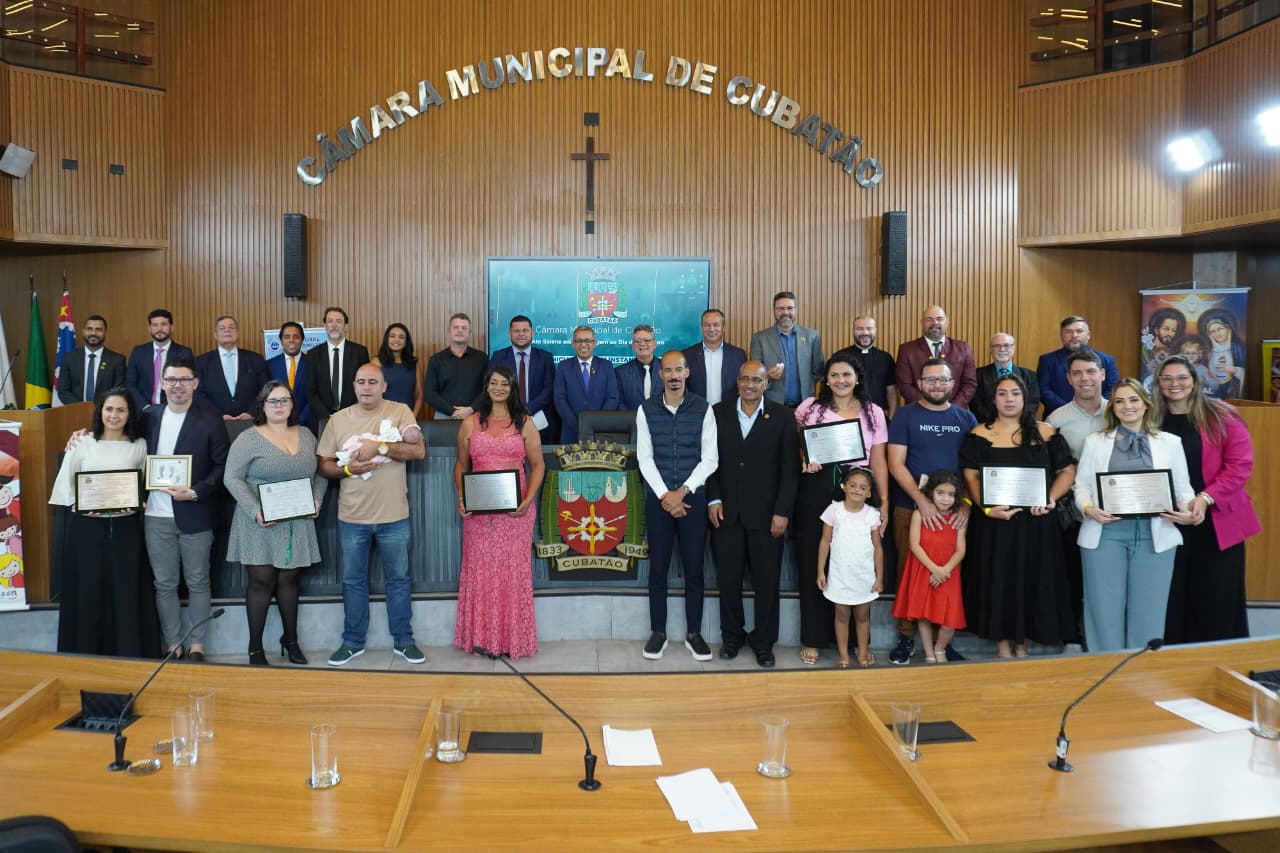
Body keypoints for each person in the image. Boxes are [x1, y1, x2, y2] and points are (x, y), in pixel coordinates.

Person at [1072, 379, 1196, 652]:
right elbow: (1080, 487)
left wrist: (1188, 510)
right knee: (1103, 610)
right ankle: (1105, 672)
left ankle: (1141, 676)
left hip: (1156, 536)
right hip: (1104, 535)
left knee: (1149, 610)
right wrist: (1089, 509)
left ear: (1146, 404)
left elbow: (1183, 490)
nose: (1127, 406)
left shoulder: (1170, 443)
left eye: (1133, 400)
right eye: (1119, 401)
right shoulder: (1095, 443)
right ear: (1112, 407)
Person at [317, 364, 427, 665]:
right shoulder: (338, 420)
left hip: (395, 515)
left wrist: (378, 445)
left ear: (384, 386)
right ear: (353, 386)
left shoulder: (400, 411)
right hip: (352, 517)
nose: (366, 387)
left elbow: (418, 452)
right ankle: (352, 642)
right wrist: (350, 468)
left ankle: (404, 641)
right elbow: (323, 464)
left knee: (400, 580)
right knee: (353, 581)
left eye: (372, 382)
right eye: (361, 381)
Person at [961, 375, 1077, 657]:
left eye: (1015, 393)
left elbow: (1067, 471)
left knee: (1031, 579)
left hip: (1037, 523)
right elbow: (971, 477)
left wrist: (1050, 498)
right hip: (995, 524)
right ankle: (1002, 643)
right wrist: (987, 509)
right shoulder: (979, 434)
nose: (1009, 399)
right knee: (998, 578)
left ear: (1025, 399)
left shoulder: (1046, 432)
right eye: (1002, 393)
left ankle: (1023, 643)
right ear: (993, 399)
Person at [1154, 355, 1260, 644]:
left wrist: (1204, 499)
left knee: (1216, 596)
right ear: (1158, 383)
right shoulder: (1150, 417)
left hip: (1217, 518)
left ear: (1195, 382)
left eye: (1182, 378)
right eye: (1167, 378)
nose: (1175, 384)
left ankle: (1220, 659)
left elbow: (1240, 465)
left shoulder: (1221, 414)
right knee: (1172, 594)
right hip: (1169, 519)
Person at [793, 354, 889, 665]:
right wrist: (804, 459)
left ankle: (858, 645)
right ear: (827, 380)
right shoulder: (810, 408)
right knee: (814, 560)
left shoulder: (874, 413)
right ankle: (813, 638)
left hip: (857, 490)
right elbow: (796, 443)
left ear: (857, 378)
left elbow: (878, 460)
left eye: (846, 374)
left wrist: (883, 502)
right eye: (834, 375)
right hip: (817, 487)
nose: (840, 380)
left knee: (855, 562)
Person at [49, 387, 159, 656]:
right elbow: (66, 486)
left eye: (121, 409)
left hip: (126, 528)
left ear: (129, 414)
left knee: (125, 588)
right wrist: (81, 505)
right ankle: (86, 649)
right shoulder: (82, 443)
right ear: (100, 412)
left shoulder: (140, 445)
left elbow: (147, 485)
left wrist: (140, 500)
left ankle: (129, 649)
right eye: (109, 409)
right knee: (88, 588)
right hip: (87, 528)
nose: (114, 415)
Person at [223, 380, 326, 666]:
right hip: (259, 521)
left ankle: (290, 641)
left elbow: (320, 474)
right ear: (262, 405)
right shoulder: (249, 438)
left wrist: (317, 499)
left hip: (297, 518)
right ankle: (255, 647)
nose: (279, 406)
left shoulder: (306, 435)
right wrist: (255, 509)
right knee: (261, 581)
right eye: (273, 401)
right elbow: (231, 478)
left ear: (293, 404)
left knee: (290, 580)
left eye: (284, 400)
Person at [706, 360, 798, 668]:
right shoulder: (717, 413)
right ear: (737, 382)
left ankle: (763, 642)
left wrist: (782, 511)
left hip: (767, 515)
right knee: (728, 580)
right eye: (744, 379)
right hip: (726, 512)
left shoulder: (783, 416)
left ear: (766, 384)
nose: (749, 385)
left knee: (767, 581)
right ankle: (732, 637)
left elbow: (789, 470)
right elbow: (710, 462)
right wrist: (713, 498)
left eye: (756, 380)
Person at [885, 359, 976, 665]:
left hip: (953, 516)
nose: (937, 385)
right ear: (920, 383)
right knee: (910, 574)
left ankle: (941, 641)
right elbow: (895, 462)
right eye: (930, 379)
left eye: (943, 379)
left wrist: (966, 503)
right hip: (910, 509)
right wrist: (920, 500)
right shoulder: (905, 416)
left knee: (947, 579)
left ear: (952, 383)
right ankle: (906, 637)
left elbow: (972, 468)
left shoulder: (966, 418)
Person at [453, 364, 546, 659]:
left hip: (515, 512)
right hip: (479, 514)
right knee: (481, 573)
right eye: (494, 383)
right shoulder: (470, 423)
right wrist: (461, 497)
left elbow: (538, 464)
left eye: (504, 384)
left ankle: (512, 640)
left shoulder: (524, 422)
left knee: (511, 574)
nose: (499, 388)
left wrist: (528, 500)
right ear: (486, 386)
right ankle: (482, 640)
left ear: (513, 388)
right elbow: (460, 465)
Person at [142, 357, 229, 662]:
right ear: (162, 384)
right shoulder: (148, 417)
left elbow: (222, 467)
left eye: (184, 379)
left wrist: (194, 492)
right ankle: (172, 643)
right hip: (155, 514)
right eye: (171, 380)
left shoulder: (210, 418)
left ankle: (197, 645)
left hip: (196, 512)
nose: (177, 385)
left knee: (198, 581)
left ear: (195, 383)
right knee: (164, 583)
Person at [635, 350, 718, 661]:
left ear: (687, 373)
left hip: (692, 499)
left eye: (678, 370)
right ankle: (659, 632)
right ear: (660, 374)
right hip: (659, 501)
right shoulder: (645, 409)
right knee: (658, 570)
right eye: (667, 370)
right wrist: (665, 496)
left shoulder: (703, 409)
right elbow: (645, 457)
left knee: (694, 570)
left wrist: (681, 492)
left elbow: (710, 459)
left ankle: (693, 633)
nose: (673, 376)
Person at [1047, 347, 1110, 647]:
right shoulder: (1056, 420)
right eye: (1077, 373)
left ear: (1102, 374)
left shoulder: (1119, 412)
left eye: (1090, 371)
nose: (1084, 378)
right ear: (1068, 379)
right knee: (1073, 576)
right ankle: (1075, 636)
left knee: (1104, 583)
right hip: (1072, 514)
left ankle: (1105, 637)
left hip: (1114, 513)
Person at [891, 470, 967, 663]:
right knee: (923, 614)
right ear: (931, 492)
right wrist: (933, 568)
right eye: (940, 493)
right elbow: (914, 544)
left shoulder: (959, 518)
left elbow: (960, 549)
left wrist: (944, 570)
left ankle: (940, 648)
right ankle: (930, 653)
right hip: (925, 568)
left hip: (948, 573)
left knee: (949, 620)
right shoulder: (919, 514)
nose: (945, 499)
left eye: (951, 495)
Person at [816, 467, 884, 668]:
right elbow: (824, 541)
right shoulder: (834, 511)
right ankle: (843, 655)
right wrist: (820, 570)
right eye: (852, 485)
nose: (857, 490)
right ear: (844, 487)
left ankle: (863, 653)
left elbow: (878, 548)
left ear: (869, 493)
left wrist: (879, 577)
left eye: (863, 487)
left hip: (863, 576)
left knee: (862, 617)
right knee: (842, 615)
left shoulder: (872, 515)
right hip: (840, 576)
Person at [748, 291, 825, 407]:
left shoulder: (812, 336)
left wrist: (806, 383)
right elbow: (754, 376)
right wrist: (768, 377)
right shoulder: (759, 339)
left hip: (805, 405)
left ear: (796, 310)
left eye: (790, 308)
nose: (785, 312)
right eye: (780, 309)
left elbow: (818, 370)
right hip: (772, 405)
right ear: (774, 311)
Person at [489, 315, 557, 444]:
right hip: (506, 419)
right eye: (516, 331)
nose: (521, 334)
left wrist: (527, 409)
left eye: (525, 330)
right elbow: (492, 387)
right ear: (510, 334)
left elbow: (549, 389)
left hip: (539, 420)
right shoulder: (498, 357)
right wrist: (512, 410)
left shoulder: (545, 357)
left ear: (532, 333)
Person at [894, 305, 977, 409]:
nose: (935, 323)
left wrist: (950, 409)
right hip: (919, 412)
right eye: (929, 319)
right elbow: (904, 385)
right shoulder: (907, 350)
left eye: (939, 319)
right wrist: (928, 407)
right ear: (922, 323)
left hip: (954, 414)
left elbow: (970, 384)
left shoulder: (963, 348)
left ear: (946, 322)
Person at [303, 306, 370, 434]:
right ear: (325, 325)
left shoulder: (360, 352)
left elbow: (364, 387)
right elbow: (310, 391)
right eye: (330, 321)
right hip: (322, 420)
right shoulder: (313, 354)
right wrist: (327, 416)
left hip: (353, 418)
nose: (334, 325)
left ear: (345, 326)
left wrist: (349, 413)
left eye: (339, 321)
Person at [1037, 315, 1119, 413]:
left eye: (1079, 331)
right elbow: (1043, 390)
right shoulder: (1047, 360)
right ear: (1061, 335)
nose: (1074, 335)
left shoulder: (1107, 360)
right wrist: (1069, 410)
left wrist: (1095, 409)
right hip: (1059, 417)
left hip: (1099, 416)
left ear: (1088, 335)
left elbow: (1113, 389)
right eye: (1068, 332)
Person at [195, 315, 270, 420]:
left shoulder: (255, 359)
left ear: (238, 333)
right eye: (222, 328)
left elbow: (264, 390)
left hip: (250, 421)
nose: (227, 330)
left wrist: (252, 412)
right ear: (215, 335)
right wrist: (217, 415)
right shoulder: (201, 362)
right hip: (213, 422)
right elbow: (197, 393)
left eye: (231, 327)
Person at [553, 325, 619, 443]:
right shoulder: (564, 366)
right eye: (579, 341)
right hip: (571, 431)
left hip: (600, 431)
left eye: (588, 340)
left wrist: (598, 423)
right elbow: (559, 399)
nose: (583, 345)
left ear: (595, 343)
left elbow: (612, 397)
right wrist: (577, 425)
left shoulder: (606, 366)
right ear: (573, 343)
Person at [125, 309, 195, 412]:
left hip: (173, 410)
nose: (159, 329)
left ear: (171, 327)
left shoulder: (184, 353)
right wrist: (145, 407)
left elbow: (188, 384)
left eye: (163, 324)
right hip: (143, 411)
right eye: (155, 325)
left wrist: (172, 407)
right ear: (149, 328)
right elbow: (130, 384)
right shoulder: (138, 352)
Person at [832, 313, 897, 418]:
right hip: (848, 416)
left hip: (880, 416)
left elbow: (892, 391)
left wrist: (891, 418)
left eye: (869, 328)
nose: (865, 332)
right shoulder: (840, 357)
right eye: (860, 329)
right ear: (853, 330)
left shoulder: (885, 358)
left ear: (875, 330)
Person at [424, 313, 487, 419]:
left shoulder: (481, 358)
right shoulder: (436, 360)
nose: (460, 330)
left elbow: (487, 389)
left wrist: (470, 409)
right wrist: (453, 411)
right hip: (444, 415)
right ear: (449, 331)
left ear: (470, 333)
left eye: (464, 328)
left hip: (475, 414)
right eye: (456, 327)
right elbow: (430, 393)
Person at [971, 332, 1041, 424]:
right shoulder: (977, 375)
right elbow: (976, 404)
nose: (1002, 349)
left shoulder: (1030, 376)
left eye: (1006, 345)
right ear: (990, 349)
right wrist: (996, 423)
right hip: (988, 427)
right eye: (997, 346)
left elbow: (1032, 403)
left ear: (1013, 348)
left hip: (1021, 426)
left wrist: (1016, 422)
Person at [56, 315, 125, 405]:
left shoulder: (117, 360)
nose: (93, 333)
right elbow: (63, 390)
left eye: (98, 329)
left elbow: (118, 391)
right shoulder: (69, 358)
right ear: (83, 331)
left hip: (104, 414)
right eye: (89, 329)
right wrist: (81, 408)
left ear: (105, 332)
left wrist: (99, 409)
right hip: (75, 412)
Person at [683, 309, 747, 406]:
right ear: (702, 327)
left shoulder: (738, 355)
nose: (711, 329)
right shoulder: (687, 355)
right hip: (696, 412)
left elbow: (743, 385)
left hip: (728, 413)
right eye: (707, 325)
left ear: (723, 327)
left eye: (716, 325)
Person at [371, 322, 424, 415]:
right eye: (392, 336)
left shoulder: (414, 363)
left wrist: (412, 417)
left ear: (406, 341)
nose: (397, 339)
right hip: (382, 417)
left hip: (408, 417)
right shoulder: (376, 362)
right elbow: (372, 393)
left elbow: (419, 394)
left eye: (401, 337)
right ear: (386, 339)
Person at [266, 321, 310, 426]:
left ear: (302, 340)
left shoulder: (313, 363)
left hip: (307, 424)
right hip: (278, 424)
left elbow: (316, 395)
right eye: (287, 337)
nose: (291, 340)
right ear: (281, 340)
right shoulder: (269, 365)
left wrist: (302, 418)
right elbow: (267, 396)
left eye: (296, 337)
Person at [1201, 312, 1247, 399]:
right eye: (1212, 331)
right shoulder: (1209, 351)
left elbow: (1244, 373)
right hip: (1213, 391)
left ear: (1228, 328)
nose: (1217, 333)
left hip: (1232, 388)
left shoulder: (1238, 348)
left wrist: (1233, 370)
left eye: (1220, 329)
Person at [616, 324, 660, 410]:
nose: (642, 344)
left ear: (654, 344)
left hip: (662, 421)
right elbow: (619, 401)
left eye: (647, 340)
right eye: (638, 341)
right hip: (631, 421)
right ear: (632, 345)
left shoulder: (667, 369)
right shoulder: (620, 372)